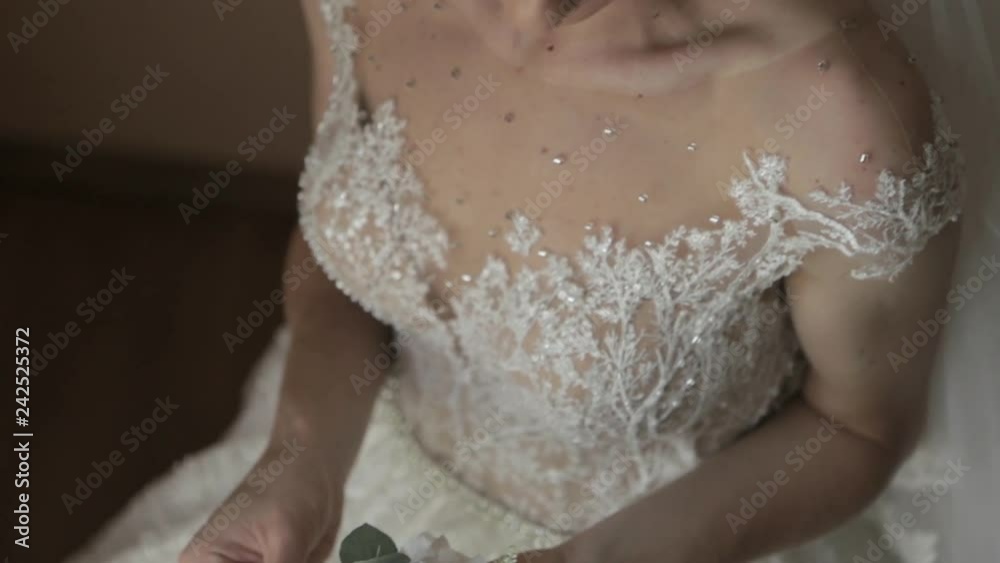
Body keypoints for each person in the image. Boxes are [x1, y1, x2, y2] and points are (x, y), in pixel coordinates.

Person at [70, 1, 969, 562]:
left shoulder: (836, 106)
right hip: (352, 460)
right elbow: (340, 250)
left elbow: (860, 425)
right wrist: (302, 457)